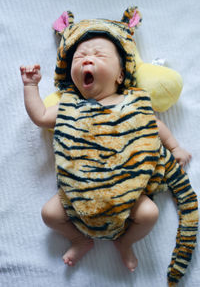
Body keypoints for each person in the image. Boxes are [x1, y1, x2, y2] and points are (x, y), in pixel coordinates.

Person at [20, 36, 191, 272]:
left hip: (125, 192)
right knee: (49, 214)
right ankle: (80, 240)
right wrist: (31, 87)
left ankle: (125, 242)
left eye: (98, 55)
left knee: (149, 214)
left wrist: (174, 147)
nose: (87, 58)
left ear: (120, 75)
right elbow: (40, 116)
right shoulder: (69, 105)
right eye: (79, 57)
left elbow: (154, 125)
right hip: (79, 195)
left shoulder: (132, 103)